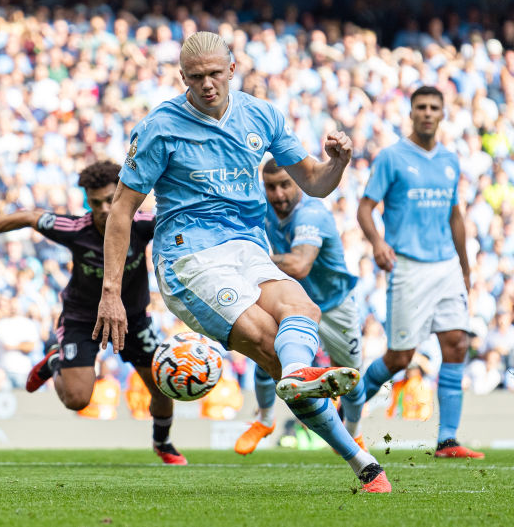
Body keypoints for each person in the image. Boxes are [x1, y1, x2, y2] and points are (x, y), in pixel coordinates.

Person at [95, 31, 390, 492]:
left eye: (215, 73)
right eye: (196, 77)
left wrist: (340, 162)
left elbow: (314, 182)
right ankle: (360, 460)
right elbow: (121, 210)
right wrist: (110, 293)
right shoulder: (159, 127)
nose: (207, 84)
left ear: (232, 69)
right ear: (183, 77)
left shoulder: (262, 114)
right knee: (265, 340)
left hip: (246, 248)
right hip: (188, 255)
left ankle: (296, 376)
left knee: (304, 309)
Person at [0, 161, 187, 465]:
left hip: (133, 319)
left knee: (161, 383)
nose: (103, 208)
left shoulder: (142, 224)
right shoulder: (75, 229)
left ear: (122, 194)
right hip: (82, 319)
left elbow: (180, 221)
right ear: (86, 201)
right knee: (77, 399)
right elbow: (27, 217)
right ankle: (56, 360)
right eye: (95, 202)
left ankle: (163, 442)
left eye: (109, 199)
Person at [356, 85, 484, 459]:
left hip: (445, 264)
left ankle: (447, 440)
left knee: (457, 342)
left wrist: (464, 266)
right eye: (421, 107)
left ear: (443, 114)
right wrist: (378, 243)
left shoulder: (449, 160)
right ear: (411, 113)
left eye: (434, 108)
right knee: (400, 356)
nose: (427, 113)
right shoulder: (392, 157)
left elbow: (454, 215)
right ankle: (348, 407)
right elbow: (365, 209)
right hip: (408, 265)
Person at [234, 160, 366, 456]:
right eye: (271, 187)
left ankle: (355, 434)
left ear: (298, 183)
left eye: (285, 184)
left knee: (353, 378)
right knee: (263, 351)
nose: (278, 194)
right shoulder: (262, 209)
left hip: (334, 305)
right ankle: (264, 420)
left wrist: (256, 261)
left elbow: (300, 264)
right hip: (292, 301)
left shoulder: (311, 213)